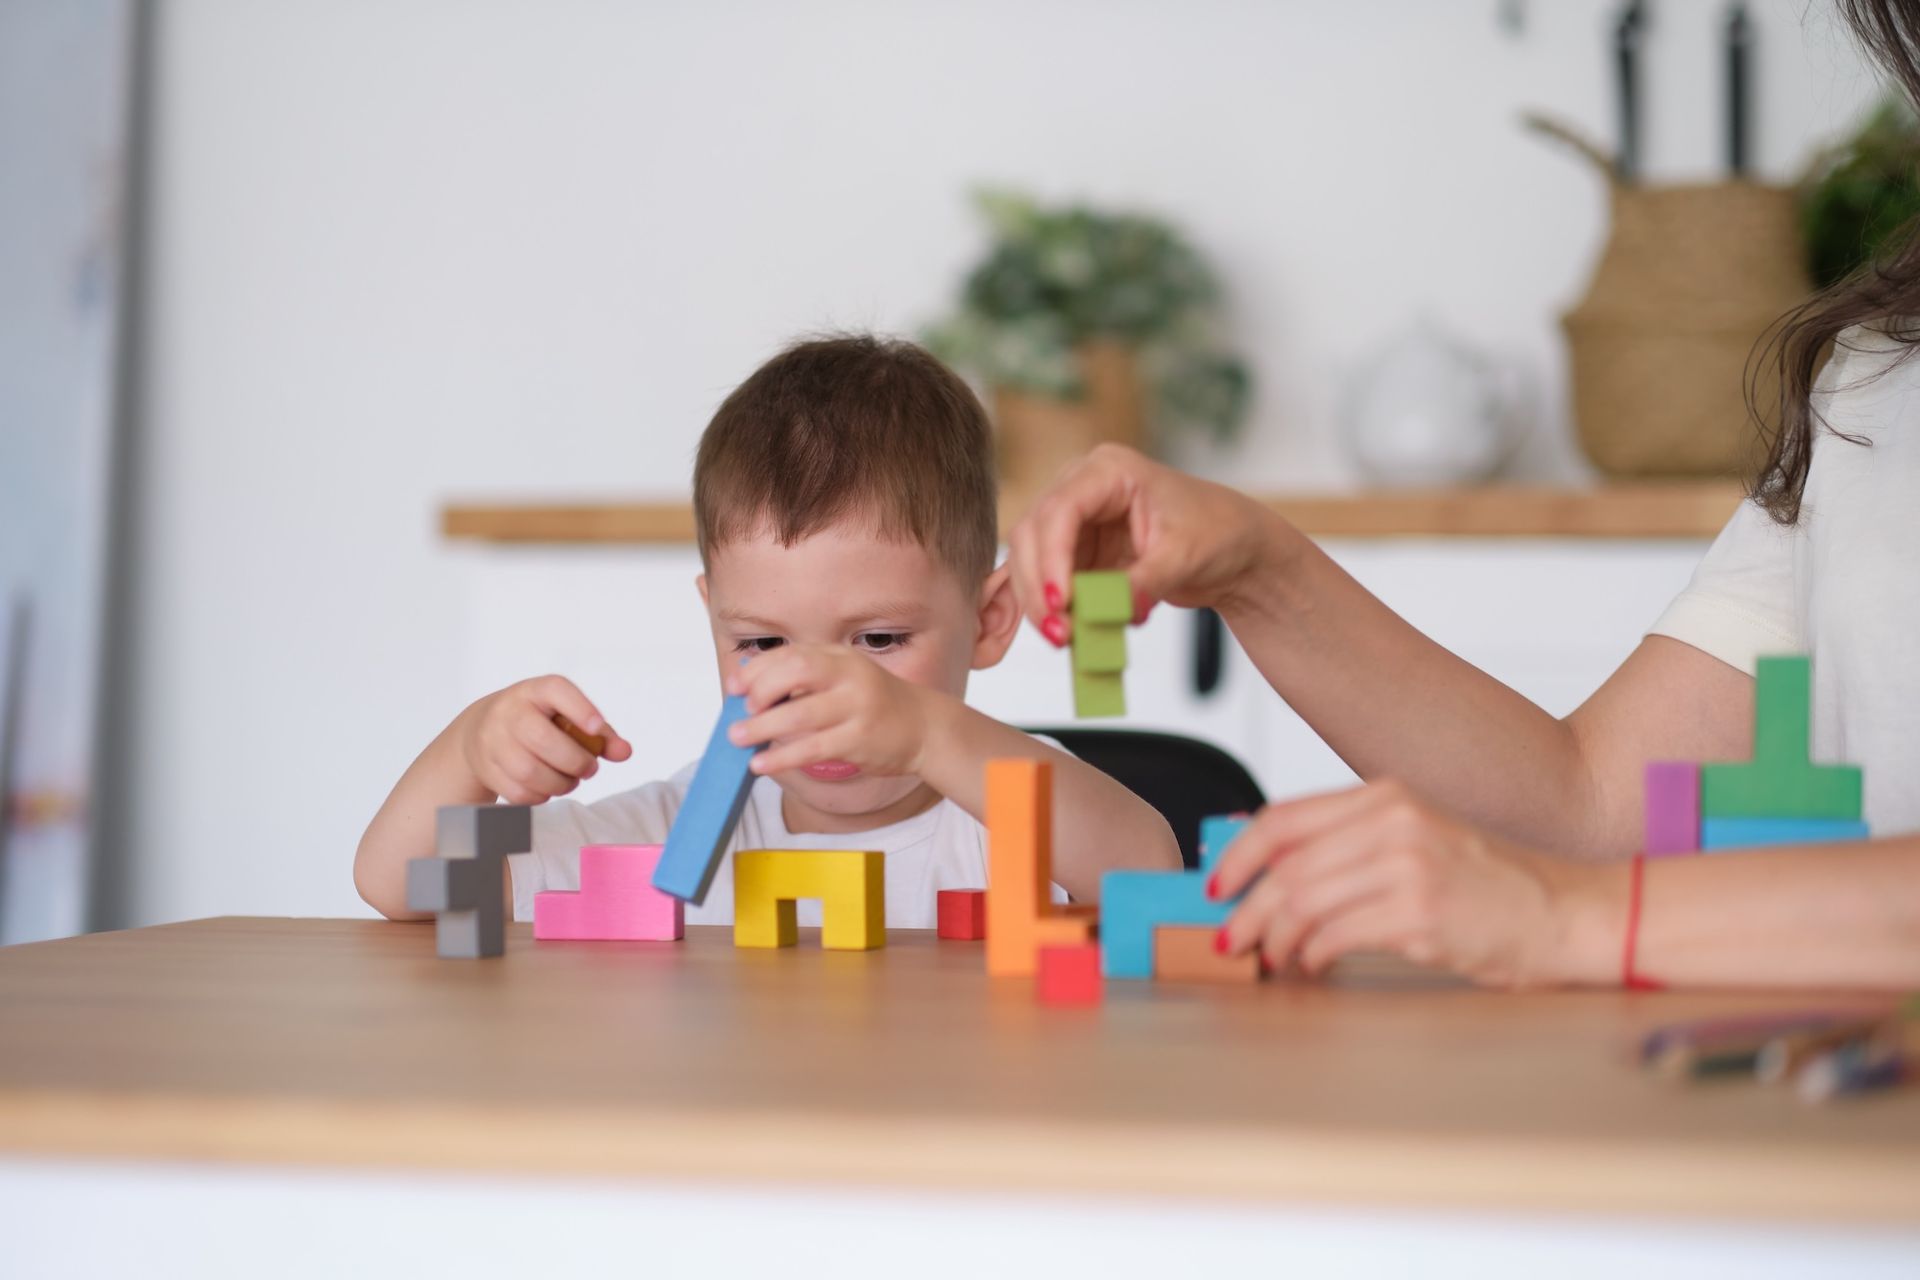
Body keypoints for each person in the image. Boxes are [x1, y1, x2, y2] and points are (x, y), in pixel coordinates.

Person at [1004, 4, 1920, 993]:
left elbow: (1574, 888)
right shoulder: (1872, 383)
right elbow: (1588, 811)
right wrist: (1260, 568)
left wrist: (1559, 914)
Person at [356, 336, 1178, 927]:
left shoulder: (1008, 808)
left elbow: (1149, 872)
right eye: (761, 644)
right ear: (713, 619)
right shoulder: (679, 830)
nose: (820, 688)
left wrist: (928, 735)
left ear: (989, 622)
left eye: (880, 641)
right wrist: (471, 750)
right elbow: (399, 884)